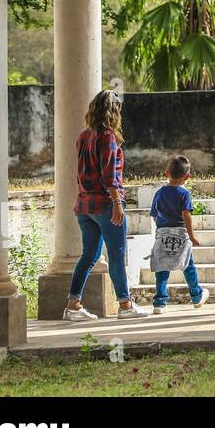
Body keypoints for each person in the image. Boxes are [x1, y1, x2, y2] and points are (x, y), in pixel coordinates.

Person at [64, 90, 149, 320]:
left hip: (84, 206)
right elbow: (109, 175)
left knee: (89, 255)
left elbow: (81, 172)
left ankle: (73, 305)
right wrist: (117, 203)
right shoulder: (107, 136)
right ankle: (125, 305)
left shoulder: (83, 136)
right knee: (116, 254)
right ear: (113, 111)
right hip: (105, 204)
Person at [149, 155, 210, 314]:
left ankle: (159, 303)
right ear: (187, 176)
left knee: (162, 267)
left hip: (162, 232)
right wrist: (192, 236)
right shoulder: (184, 194)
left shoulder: (159, 193)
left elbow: (154, 214)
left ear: (166, 173)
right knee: (188, 265)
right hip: (181, 233)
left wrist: (161, 227)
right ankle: (196, 296)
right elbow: (186, 215)